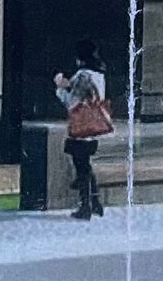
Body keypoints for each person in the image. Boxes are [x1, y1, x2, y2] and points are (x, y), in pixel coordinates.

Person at [54, 39, 112, 220]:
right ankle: (95, 203)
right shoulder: (99, 74)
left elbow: (71, 102)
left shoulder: (83, 75)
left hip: (81, 126)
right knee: (85, 164)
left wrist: (60, 88)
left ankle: (85, 206)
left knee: (81, 166)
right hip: (93, 125)